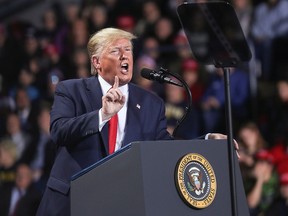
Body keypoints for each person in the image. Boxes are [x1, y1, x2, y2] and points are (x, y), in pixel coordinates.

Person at [36, 27, 235, 216]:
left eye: (128, 50)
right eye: (115, 50)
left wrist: (207, 142)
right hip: (71, 202)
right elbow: (59, 131)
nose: (125, 56)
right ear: (97, 62)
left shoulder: (151, 103)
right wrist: (101, 116)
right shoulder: (71, 90)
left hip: (119, 204)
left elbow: (164, 149)